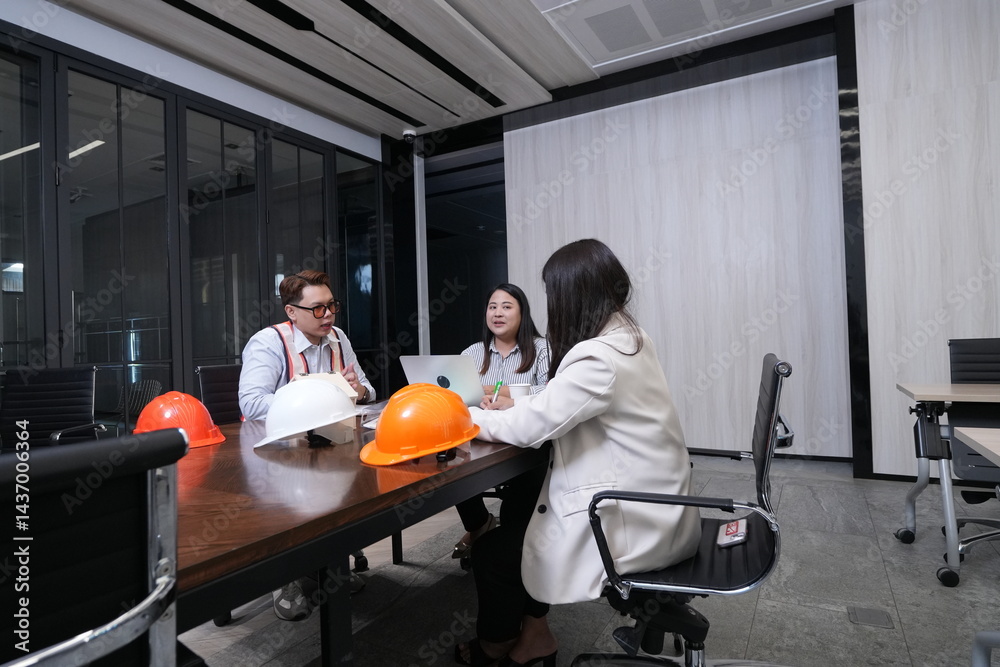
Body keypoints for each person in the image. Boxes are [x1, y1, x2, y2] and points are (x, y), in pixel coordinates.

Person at [455, 240, 701, 666]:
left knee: (494, 553)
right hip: (657, 503)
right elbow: (553, 403)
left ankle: (498, 643)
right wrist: (511, 409)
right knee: (525, 506)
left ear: (572, 296)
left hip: (633, 518)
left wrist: (465, 418)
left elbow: (531, 426)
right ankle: (535, 632)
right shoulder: (630, 338)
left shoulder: (599, 357)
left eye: (553, 293)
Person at [238, 269, 375, 621]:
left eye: (332, 306)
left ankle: (325, 568)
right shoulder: (268, 343)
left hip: (328, 442)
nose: (328, 315)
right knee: (293, 496)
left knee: (347, 486)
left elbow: (367, 390)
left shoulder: (338, 339)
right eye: (317, 308)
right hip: (277, 448)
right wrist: (316, 393)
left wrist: (357, 390)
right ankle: (285, 577)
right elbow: (251, 404)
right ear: (291, 312)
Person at [452, 284, 549, 561]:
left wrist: (505, 394)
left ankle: (511, 544)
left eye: (506, 307)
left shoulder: (541, 349)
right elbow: (458, 395)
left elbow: (550, 392)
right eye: (492, 307)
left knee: (519, 506)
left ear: (522, 313)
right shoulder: (472, 353)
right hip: (481, 438)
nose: (497, 313)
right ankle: (479, 524)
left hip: (526, 442)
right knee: (451, 467)